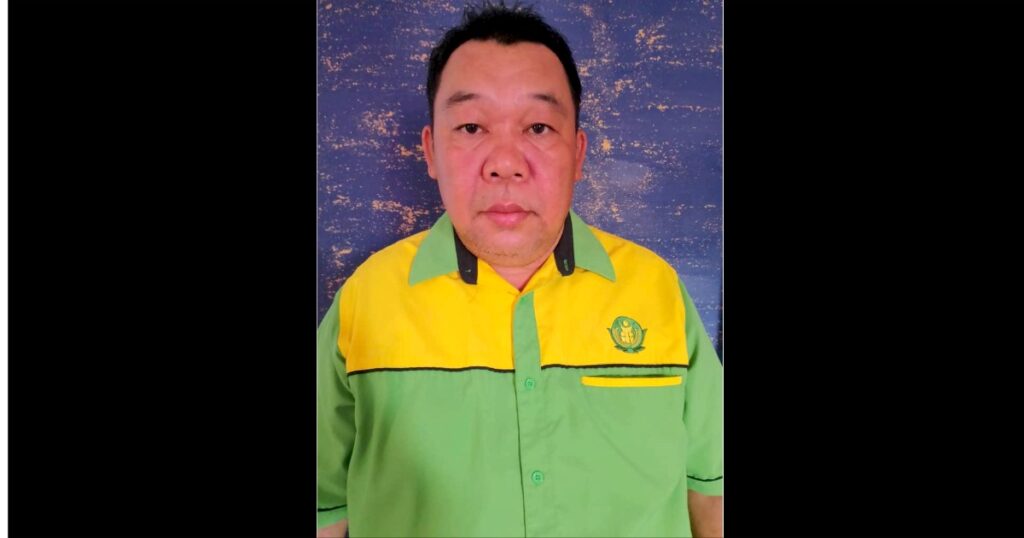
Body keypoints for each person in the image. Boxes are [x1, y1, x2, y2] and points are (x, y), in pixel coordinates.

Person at [317, 3, 722, 536]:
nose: (505, 163)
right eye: (470, 126)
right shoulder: (366, 301)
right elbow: (326, 512)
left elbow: (710, 494)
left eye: (538, 126)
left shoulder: (657, 290)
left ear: (577, 153)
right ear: (431, 151)